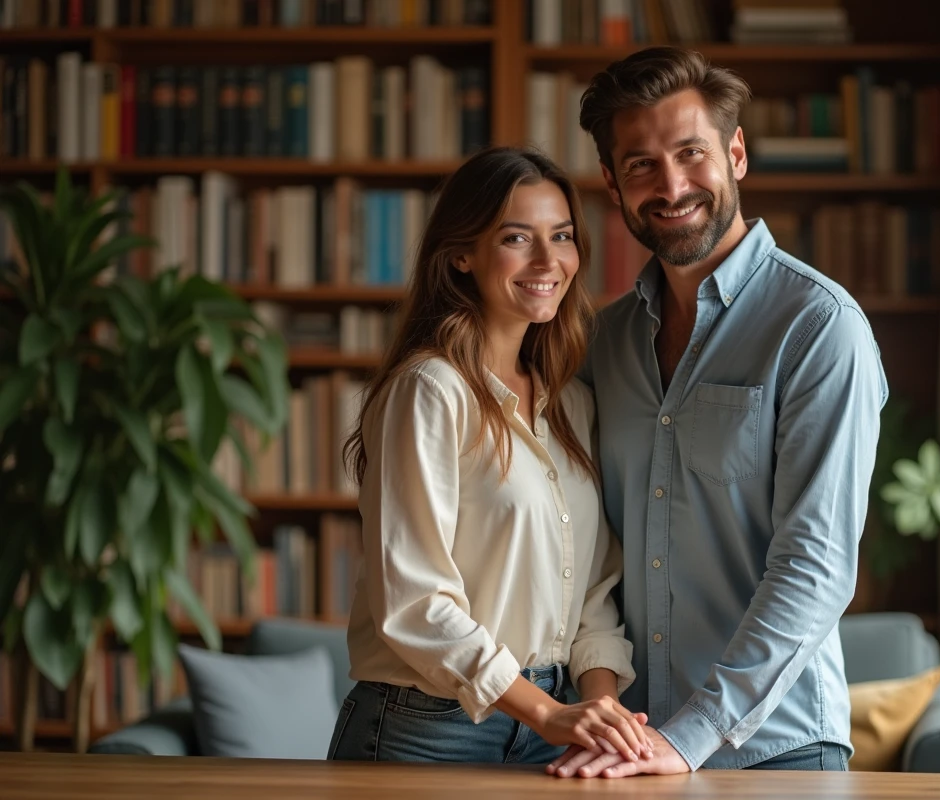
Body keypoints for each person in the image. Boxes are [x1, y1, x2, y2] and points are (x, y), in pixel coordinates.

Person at [550, 47, 889, 778]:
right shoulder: (600, 345)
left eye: (691, 152)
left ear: (735, 153)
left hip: (778, 750)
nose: (671, 186)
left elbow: (817, 566)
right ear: (611, 182)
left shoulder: (819, 327)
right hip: (627, 747)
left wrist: (693, 734)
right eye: (640, 164)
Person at [329, 146, 649, 765]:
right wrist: (547, 710)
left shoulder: (572, 405)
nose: (546, 260)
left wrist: (601, 713)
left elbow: (592, 595)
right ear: (461, 255)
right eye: (516, 238)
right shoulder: (428, 392)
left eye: (561, 236)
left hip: (550, 726)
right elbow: (416, 603)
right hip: (429, 730)